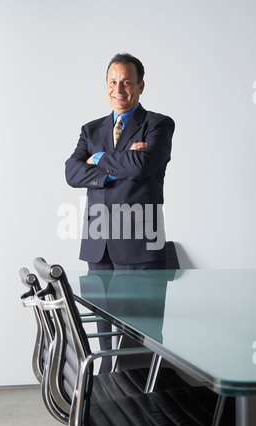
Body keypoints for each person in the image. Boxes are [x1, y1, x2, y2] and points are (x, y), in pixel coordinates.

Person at [65, 53, 175, 371]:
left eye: (127, 82)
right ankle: (105, 392)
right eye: (113, 82)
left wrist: (97, 160)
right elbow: (72, 173)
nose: (119, 89)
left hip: (141, 242)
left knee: (142, 332)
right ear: (106, 86)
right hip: (98, 244)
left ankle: (142, 400)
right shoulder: (91, 130)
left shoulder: (158, 124)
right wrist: (117, 159)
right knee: (101, 329)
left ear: (140, 86)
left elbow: (143, 165)